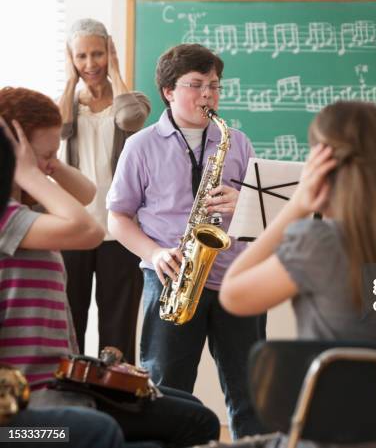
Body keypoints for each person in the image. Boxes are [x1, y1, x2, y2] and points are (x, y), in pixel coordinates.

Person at [0, 93, 220, 447]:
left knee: (190, 410)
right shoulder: (8, 219)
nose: (47, 166)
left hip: (60, 384)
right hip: (23, 418)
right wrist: (25, 168)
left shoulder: (25, 208)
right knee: (192, 422)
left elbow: (87, 193)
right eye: (43, 157)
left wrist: (45, 165)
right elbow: (88, 231)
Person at [219, 101, 376, 448]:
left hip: (321, 437)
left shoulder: (319, 243)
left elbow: (232, 294)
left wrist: (297, 204)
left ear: (322, 165)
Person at [107, 43, 265, 438]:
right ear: (169, 91)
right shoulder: (140, 145)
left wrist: (243, 204)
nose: (208, 95)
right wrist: (155, 253)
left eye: (214, 85)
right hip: (170, 276)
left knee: (250, 391)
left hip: (234, 279)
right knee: (165, 390)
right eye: (197, 85)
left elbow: (263, 218)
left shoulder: (237, 142)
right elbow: (118, 218)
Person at [58, 18, 151, 363]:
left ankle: (115, 406)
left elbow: (130, 120)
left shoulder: (131, 100)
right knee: (70, 322)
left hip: (121, 231)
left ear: (109, 52)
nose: (89, 64)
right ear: (71, 58)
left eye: (97, 54)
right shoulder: (65, 104)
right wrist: (70, 80)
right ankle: (72, 402)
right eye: (80, 56)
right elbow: (60, 130)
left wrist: (116, 71)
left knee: (118, 328)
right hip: (75, 230)